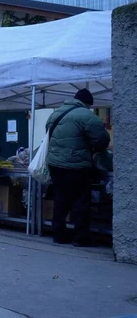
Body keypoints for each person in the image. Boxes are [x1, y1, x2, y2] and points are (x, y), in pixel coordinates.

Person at [46, 89, 110, 247]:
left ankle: (58, 235)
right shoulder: (87, 115)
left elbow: (48, 134)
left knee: (60, 200)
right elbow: (102, 140)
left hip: (55, 164)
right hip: (76, 165)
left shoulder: (55, 113)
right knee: (81, 202)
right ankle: (80, 238)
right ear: (88, 103)